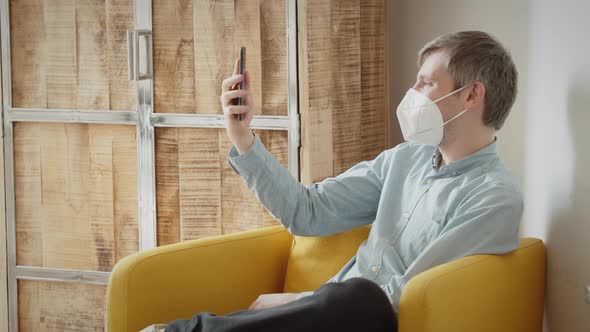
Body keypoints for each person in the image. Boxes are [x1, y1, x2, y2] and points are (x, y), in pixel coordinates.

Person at [155, 30, 522, 332]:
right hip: (328, 316)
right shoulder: (402, 160)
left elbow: (412, 293)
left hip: (375, 318)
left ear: (471, 95)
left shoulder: (494, 198)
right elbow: (308, 211)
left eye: (426, 83)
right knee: (348, 298)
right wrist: (243, 136)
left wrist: (300, 299)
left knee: (359, 297)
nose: (412, 95)